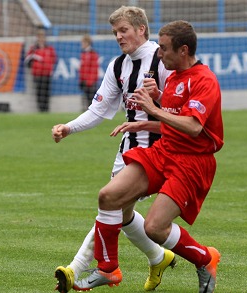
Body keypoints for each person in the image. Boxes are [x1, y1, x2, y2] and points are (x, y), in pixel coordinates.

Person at [75, 20, 224, 293]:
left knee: (155, 228)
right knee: (109, 196)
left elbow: (193, 127)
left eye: (164, 49)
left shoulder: (204, 80)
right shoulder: (175, 76)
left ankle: (205, 259)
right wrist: (143, 123)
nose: (158, 54)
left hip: (192, 162)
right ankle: (108, 269)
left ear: (183, 50)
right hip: (164, 151)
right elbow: (174, 121)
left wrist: (152, 110)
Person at [52, 6, 175, 293]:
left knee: (111, 203)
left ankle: (76, 268)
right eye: (115, 32)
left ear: (141, 29)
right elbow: (98, 109)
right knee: (119, 212)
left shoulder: (163, 60)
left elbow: (180, 106)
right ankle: (159, 257)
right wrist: (69, 127)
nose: (119, 36)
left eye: (124, 30)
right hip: (128, 149)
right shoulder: (118, 66)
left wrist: (159, 100)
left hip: (158, 149)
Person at [25, 28, 57, 112]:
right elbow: (27, 60)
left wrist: (50, 68)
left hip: (47, 73)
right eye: (40, 37)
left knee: (46, 92)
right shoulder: (33, 49)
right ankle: (40, 109)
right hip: (37, 74)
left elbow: (54, 59)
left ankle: (46, 109)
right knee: (39, 92)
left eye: (43, 37)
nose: (41, 39)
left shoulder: (49, 48)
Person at [79, 34, 100, 110]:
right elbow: (82, 69)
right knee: (87, 100)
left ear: (87, 43)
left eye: (83, 43)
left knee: (92, 101)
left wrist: (90, 82)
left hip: (91, 82)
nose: (82, 44)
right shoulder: (83, 53)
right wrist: (81, 80)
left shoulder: (93, 54)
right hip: (85, 81)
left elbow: (94, 69)